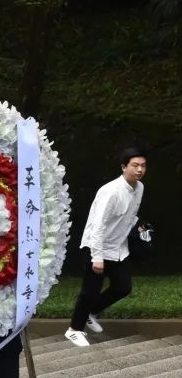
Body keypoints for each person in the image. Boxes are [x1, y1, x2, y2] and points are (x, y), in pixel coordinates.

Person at [65, 147, 148, 348]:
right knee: (90, 291)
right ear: (123, 167)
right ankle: (74, 330)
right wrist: (97, 257)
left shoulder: (139, 188)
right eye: (135, 165)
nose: (139, 170)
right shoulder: (110, 191)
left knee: (123, 287)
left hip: (119, 247)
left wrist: (139, 229)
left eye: (143, 166)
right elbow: (98, 225)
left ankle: (91, 312)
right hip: (96, 246)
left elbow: (130, 215)